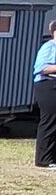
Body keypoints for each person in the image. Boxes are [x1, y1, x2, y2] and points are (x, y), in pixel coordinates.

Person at [33, 19, 56, 168]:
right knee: (49, 121)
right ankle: (43, 159)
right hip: (47, 86)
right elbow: (41, 68)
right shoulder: (49, 47)